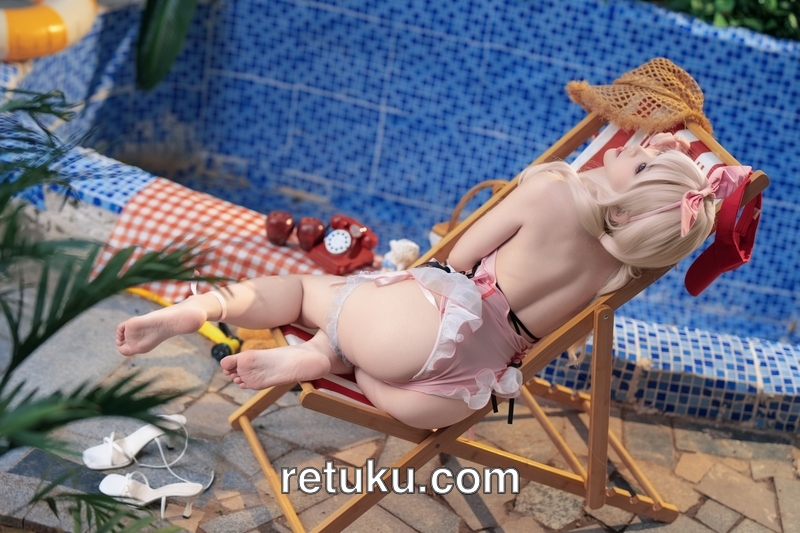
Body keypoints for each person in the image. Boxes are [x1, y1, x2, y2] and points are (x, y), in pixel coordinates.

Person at [116, 133, 720, 430]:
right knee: (386, 363)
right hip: (452, 390)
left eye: (644, 158)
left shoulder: (552, 190)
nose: (638, 144)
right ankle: (330, 359)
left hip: (415, 324)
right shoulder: (619, 270)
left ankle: (203, 310)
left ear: (631, 192)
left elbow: (461, 254)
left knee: (301, 291)